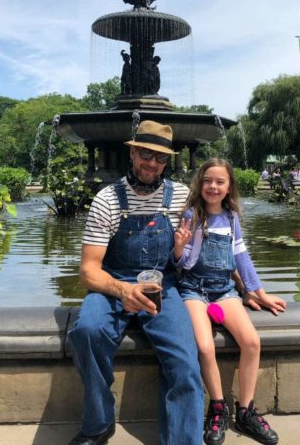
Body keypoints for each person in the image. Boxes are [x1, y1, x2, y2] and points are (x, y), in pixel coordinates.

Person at [69, 120, 204, 445]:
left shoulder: (181, 196)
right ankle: (99, 422)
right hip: (112, 282)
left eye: (159, 158)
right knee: (87, 331)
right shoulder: (107, 199)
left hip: (163, 286)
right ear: (132, 154)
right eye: (146, 154)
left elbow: (183, 258)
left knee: (186, 360)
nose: (152, 164)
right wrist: (122, 290)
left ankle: (183, 440)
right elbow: (88, 272)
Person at [173, 158, 286, 445]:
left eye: (219, 182)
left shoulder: (232, 218)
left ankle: (246, 410)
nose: (213, 186)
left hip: (224, 291)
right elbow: (181, 262)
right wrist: (178, 247)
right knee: (204, 346)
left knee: (251, 342)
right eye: (208, 180)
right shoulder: (191, 215)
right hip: (193, 290)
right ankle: (218, 408)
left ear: (228, 187)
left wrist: (258, 292)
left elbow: (241, 258)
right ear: (200, 183)